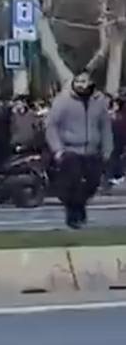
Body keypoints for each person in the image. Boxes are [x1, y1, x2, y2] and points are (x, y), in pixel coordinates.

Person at [46, 72, 114, 229]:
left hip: (92, 150)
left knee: (92, 183)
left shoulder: (99, 101)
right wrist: (58, 149)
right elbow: (51, 126)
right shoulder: (62, 101)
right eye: (79, 81)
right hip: (70, 150)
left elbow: (105, 126)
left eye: (85, 81)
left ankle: (79, 206)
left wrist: (107, 149)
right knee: (73, 183)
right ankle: (74, 214)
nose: (82, 85)